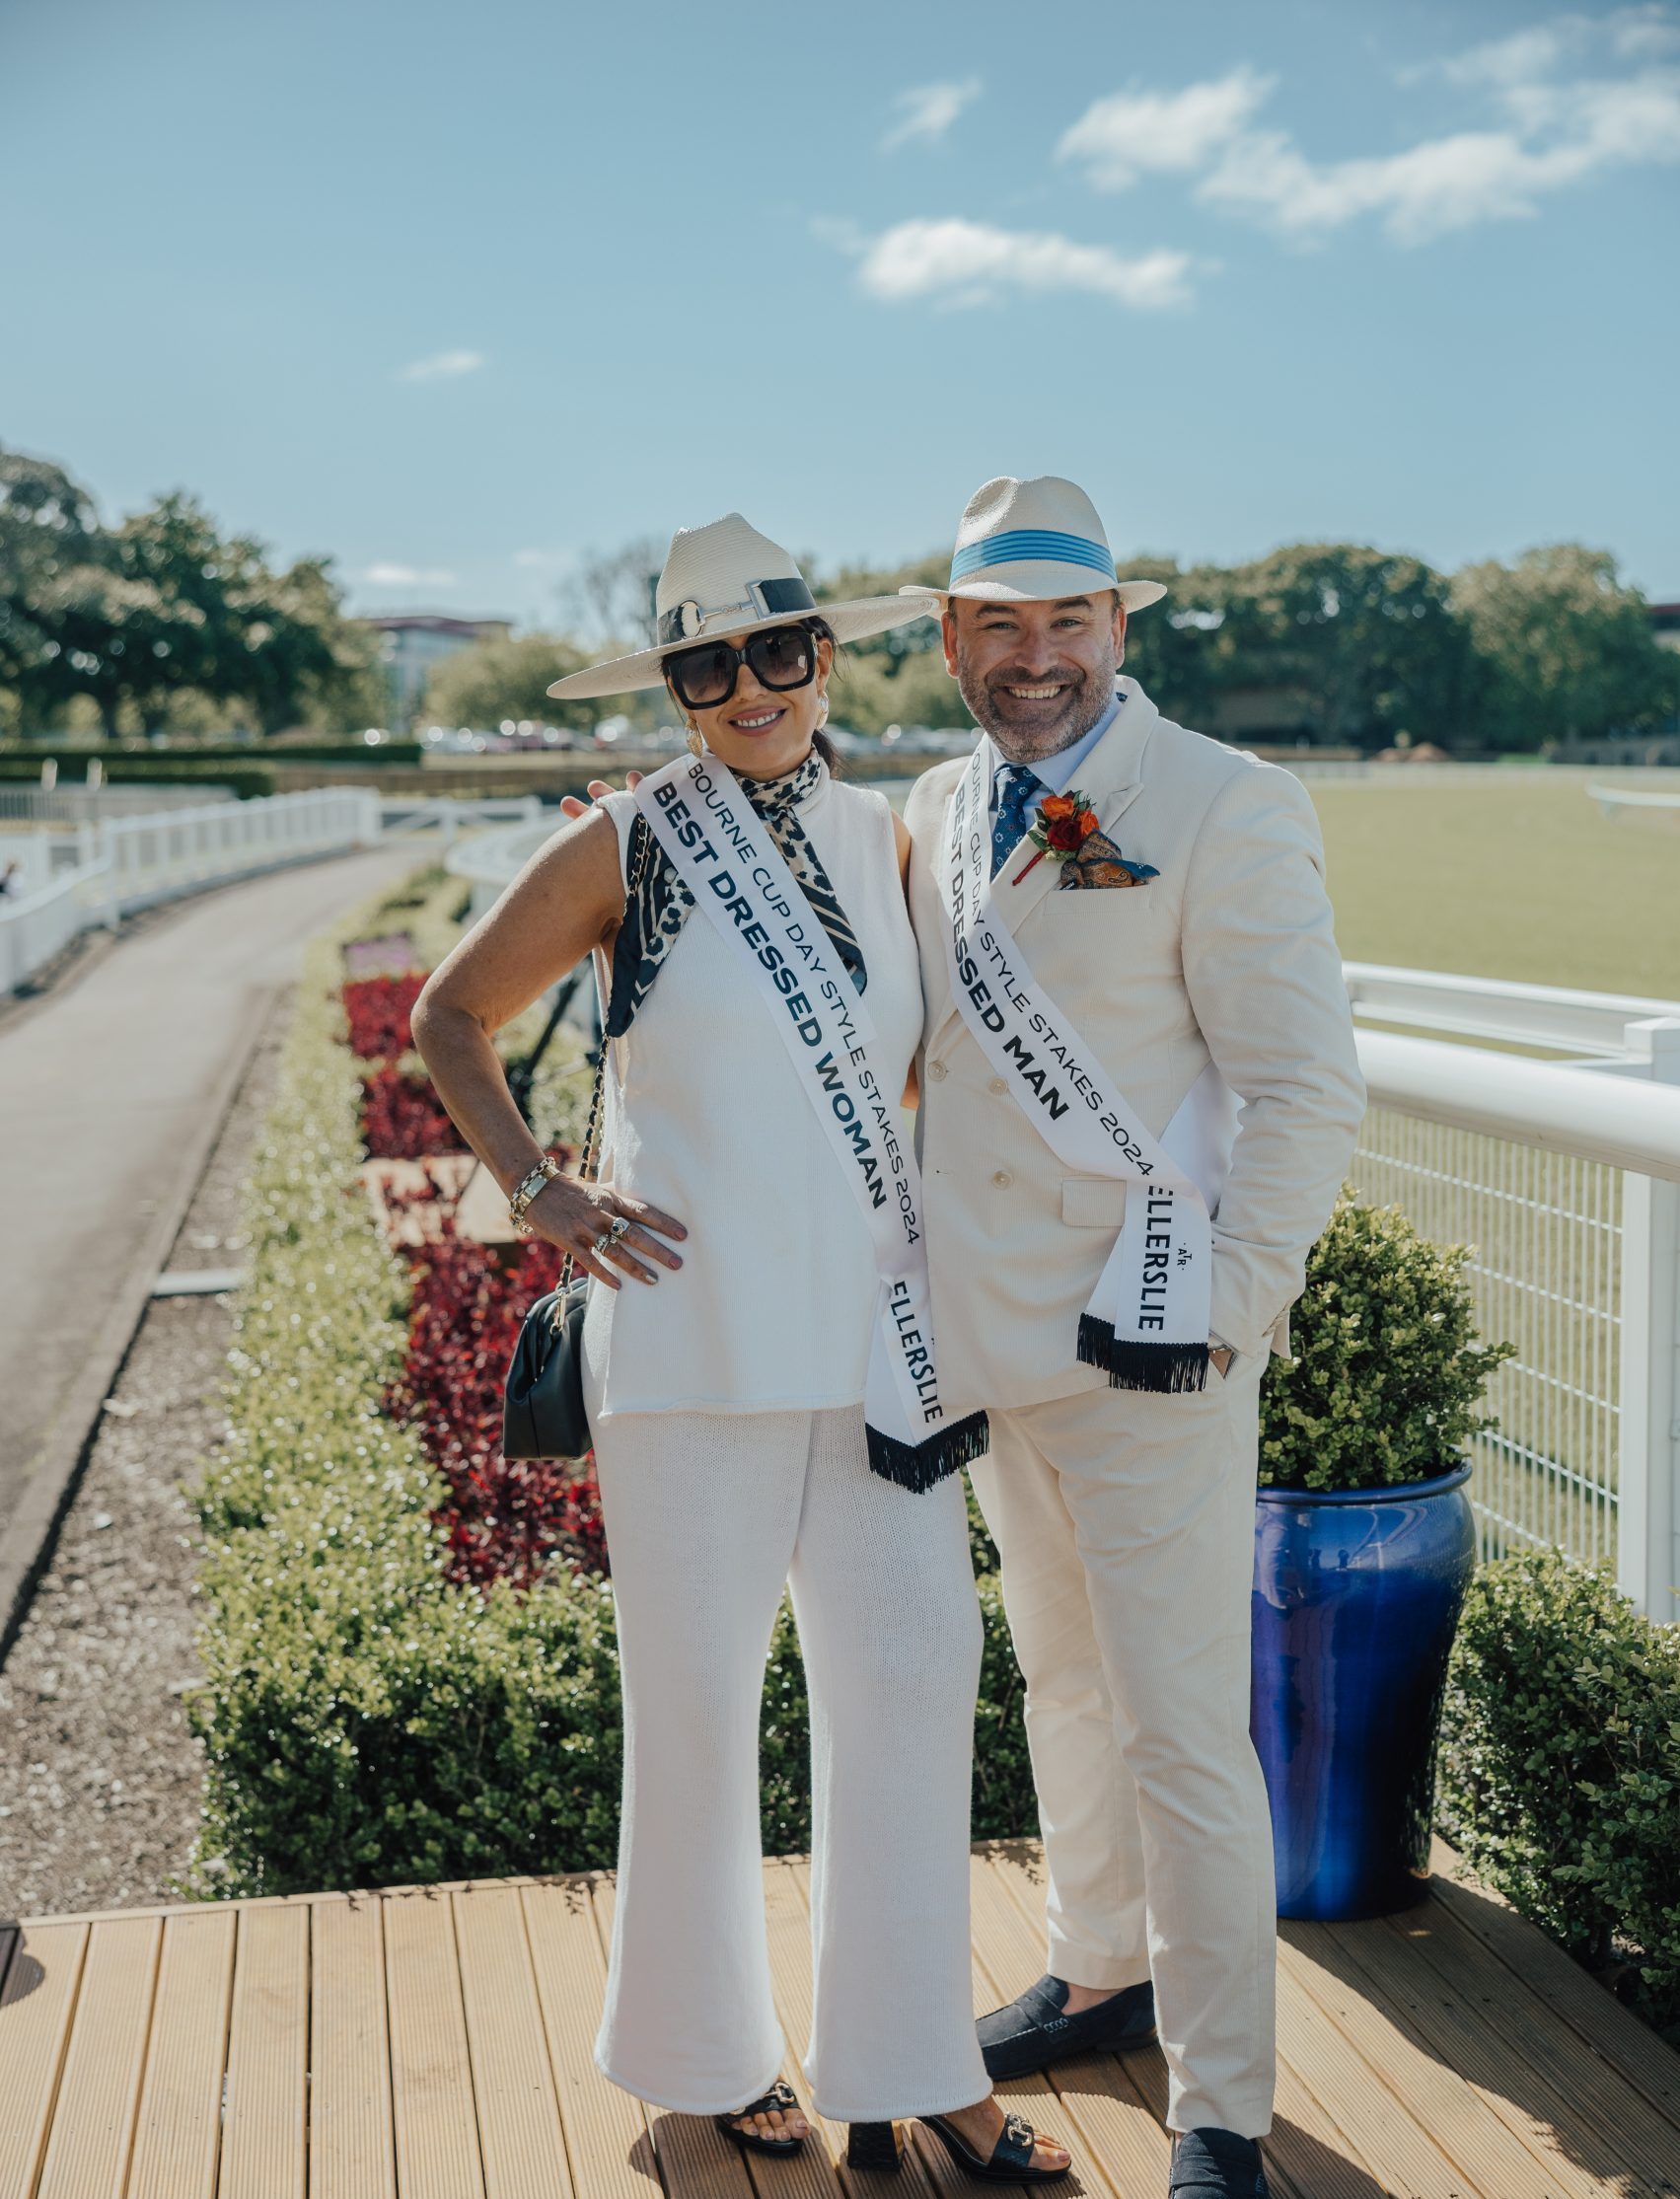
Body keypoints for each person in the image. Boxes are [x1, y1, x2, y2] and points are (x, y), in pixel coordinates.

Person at [412, 513, 1071, 2183]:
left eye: (780, 652)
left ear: (825, 659)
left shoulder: (893, 842)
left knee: (917, 1682)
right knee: (695, 1711)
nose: (753, 687)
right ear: (682, 689)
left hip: (872, 1354)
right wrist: (543, 1190)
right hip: (688, 1354)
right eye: (712, 665)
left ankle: (914, 2064)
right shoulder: (623, 844)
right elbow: (448, 1017)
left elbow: (920, 1073)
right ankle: (708, 2063)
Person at [899, 476, 1366, 2199]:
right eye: (999, 624)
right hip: (992, 1342)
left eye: (1067, 621)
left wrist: (1233, 1310)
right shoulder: (939, 803)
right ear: (950, 639)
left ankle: (1223, 2101)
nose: (1036, 658)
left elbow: (1307, 1088)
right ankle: (1100, 1966)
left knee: (1185, 1727)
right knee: (1065, 1679)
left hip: (1155, 1345)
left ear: (1120, 625)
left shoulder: (1227, 803)